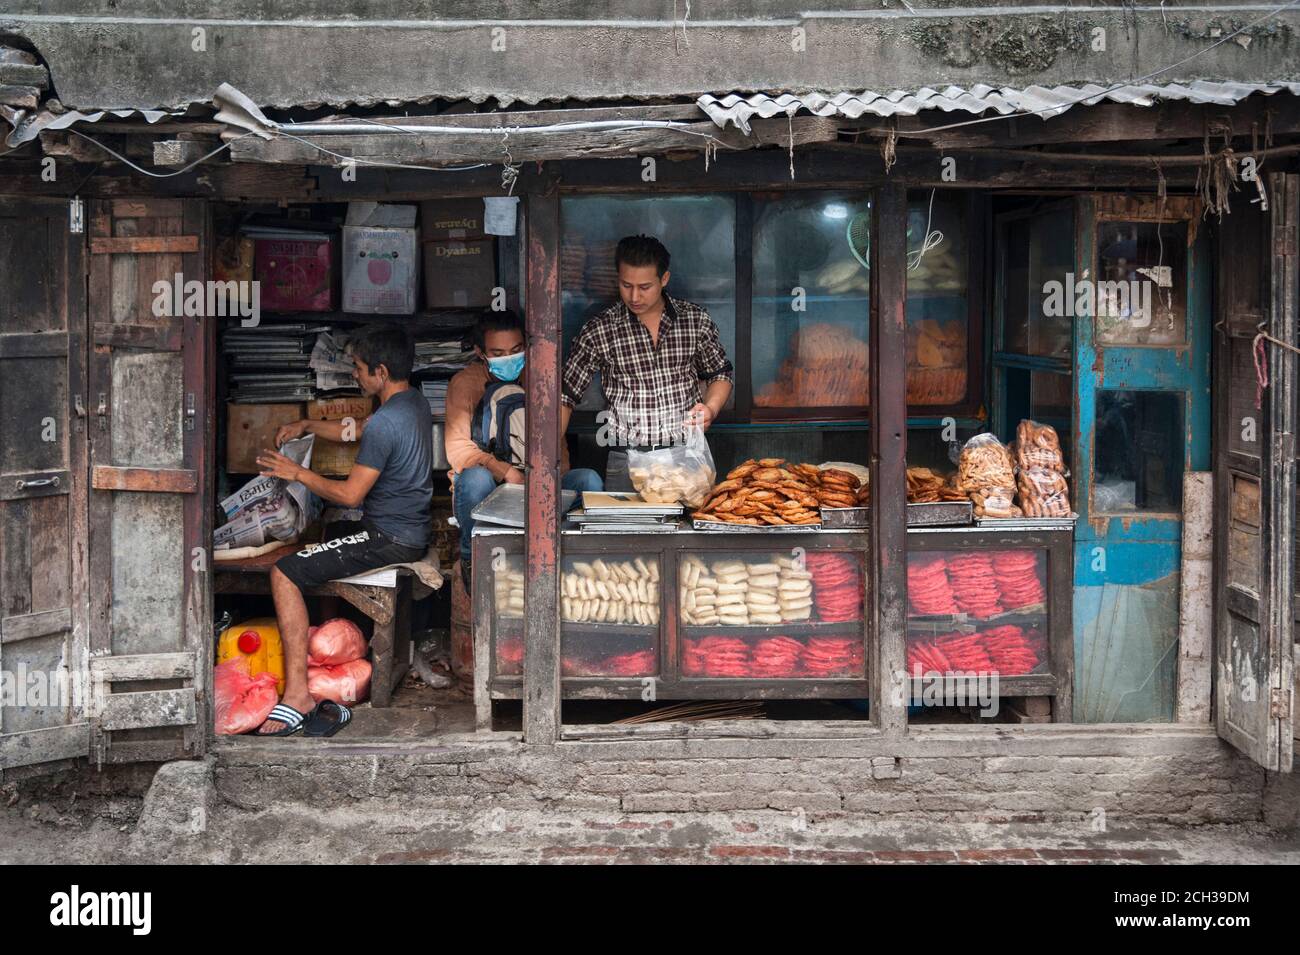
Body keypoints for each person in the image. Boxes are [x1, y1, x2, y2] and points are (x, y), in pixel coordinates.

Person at [252, 325, 433, 736]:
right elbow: (361, 429)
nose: (354, 374)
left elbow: (351, 495)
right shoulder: (412, 404)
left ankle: (297, 694)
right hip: (405, 530)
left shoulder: (388, 422)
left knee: (284, 572)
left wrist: (296, 472)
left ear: (380, 372)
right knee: (321, 543)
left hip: (389, 539)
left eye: (358, 367)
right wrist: (308, 424)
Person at [561, 234, 734, 490]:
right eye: (626, 285)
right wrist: (549, 458)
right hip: (627, 458)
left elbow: (720, 374)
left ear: (664, 279)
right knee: (627, 530)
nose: (634, 296)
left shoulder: (694, 320)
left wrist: (711, 408)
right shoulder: (600, 330)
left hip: (685, 456)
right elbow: (565, 396)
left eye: (644, 287)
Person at [446, 309, 603, 587]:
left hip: (538, 487)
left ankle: (571, 559)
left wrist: (545, 480)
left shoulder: (538, 380)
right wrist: (505, 471)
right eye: (498, 352)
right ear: (480, 352)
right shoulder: (464, 384)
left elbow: (558, 445)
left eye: (516, 350)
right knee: (473, 478)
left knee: (588, 480)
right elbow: (458, 450)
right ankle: (473, 559)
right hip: (491, 491)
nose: (509, 358)